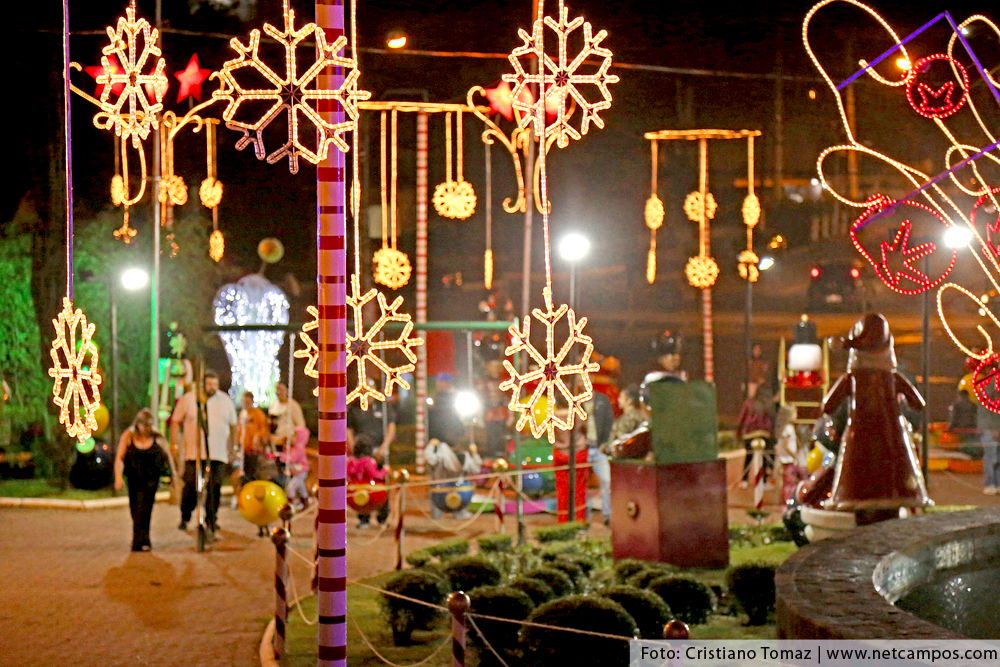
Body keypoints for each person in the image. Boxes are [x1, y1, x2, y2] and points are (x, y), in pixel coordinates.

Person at [171, 371, 238, 533]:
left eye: (215, 384)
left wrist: (233, 447)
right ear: (201, 384)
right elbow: (175, 421)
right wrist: (174, 444)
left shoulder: (225, 401)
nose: (212, 388)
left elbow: (233, 426)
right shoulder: (189, 399)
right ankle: (185, 516)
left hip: (218, 453)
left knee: (215, 487)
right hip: (194, 454)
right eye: (209, 384)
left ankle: (211, 519)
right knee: (191, 486)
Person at [114, 408, 176, 551]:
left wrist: (173, 475)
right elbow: (120, 457)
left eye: (150, 424)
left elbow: (167, 456)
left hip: (151, 479)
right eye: (145, 425)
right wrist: (118, 477)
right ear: (138, 424)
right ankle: (142, 538)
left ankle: (141, 541)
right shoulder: (129, 436)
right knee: (135, 508)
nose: (147, 428)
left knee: (146, 508)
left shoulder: (156, 437)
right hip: (134, 479)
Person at [347, 397, 397, 525]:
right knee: (361, 484)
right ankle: (363, 517)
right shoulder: (354, 408)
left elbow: (391, 427)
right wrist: (355, 450)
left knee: (383, 485)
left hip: (379, 450)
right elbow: (348, 429)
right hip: (362, 452)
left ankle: (383, 517)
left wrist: (383, 448)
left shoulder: (383, 407)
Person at [581, 392, 614, 526]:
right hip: (584, 449)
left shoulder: (602, 400)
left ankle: (608, 515)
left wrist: (604, 444)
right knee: (581, 482)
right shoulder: (575, 400)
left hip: (599, 448)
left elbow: (609, 422)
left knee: (606, 481)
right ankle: (584, 515)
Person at [234, 391, 269, 507]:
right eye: (244, 402)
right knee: (243, 474)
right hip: (244, 449)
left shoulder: (257, 413)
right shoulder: (242, 415)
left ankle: (253, 498)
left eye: (248, 402)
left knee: (252, 474)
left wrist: (258, 439)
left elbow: (263, 428)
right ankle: (243, 497)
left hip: (254, 450)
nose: (245, 404)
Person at [736, 385, 775, 487]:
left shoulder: (748, 403)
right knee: (764, 458)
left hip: (749, 433)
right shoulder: (767, 404)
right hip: (763, 433)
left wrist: (738, 432)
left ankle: (744, 480)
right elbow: (771, 419)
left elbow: (741, 418)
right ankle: (764, 481)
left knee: (749, 457)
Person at [348, 433, 388, 528]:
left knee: (361, 503)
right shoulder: (368, 461)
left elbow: (347, 475)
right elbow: (374, 475)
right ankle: (382, 519)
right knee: (385, 494)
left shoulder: (351, 460)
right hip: (369, 492)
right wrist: (385, 470)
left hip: (353, 491)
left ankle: (363, 521)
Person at [428, 373, 466, 446]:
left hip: (448, 427)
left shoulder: (453, 395)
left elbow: (453, 413)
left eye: (441, 382)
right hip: (437, 427)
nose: (438, 384)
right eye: (438, 381)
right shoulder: (435, 395)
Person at [268, 381, 305, 451]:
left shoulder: (293, 406)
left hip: (287, 444)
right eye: (277, 390)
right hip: (274, 441)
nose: (279, 392)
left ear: (287, 391)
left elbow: (301, 425)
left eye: (281, 390)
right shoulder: (274, 404)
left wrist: (294, 438)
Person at [283, 426, 311, 510]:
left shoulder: (299, 449)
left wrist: (284, 456)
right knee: (301, 487)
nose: (292, 438)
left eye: (294, 436)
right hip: (297, 471)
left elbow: (292, 458)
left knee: (291, 487)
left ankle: (295, 502)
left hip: (300, 471)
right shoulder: (295, 448)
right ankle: (305, 501)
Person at [978, 400, 1000, 495]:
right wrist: (993, 430)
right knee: (991, 459)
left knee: (994, 459)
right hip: (989, 432)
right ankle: (990, 484)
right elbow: (984, 417)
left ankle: (996, 484)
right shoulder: (986, 399)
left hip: (992, 431)